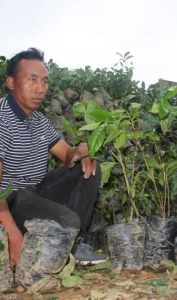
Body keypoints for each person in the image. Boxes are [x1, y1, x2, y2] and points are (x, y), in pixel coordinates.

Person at [0, 48, 107, 271]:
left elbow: (66, 154)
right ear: (11, 82)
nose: (40, 88)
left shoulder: (39, 120)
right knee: (68, 222)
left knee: (89, 168)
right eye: (32, 80)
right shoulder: (2, 118)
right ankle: (67, 237)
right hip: (9, 200)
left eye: (45, 81)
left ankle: (77, 245)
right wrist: (11, 232)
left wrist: (81, 152)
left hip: (36, 190)